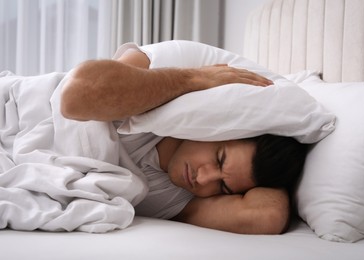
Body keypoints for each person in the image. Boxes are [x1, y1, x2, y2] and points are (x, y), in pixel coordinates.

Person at [60, 41, 307, 235]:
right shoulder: (175, 73)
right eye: (219, 159)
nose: (203, 178)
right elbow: (75, 98)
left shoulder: (178, 200)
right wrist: (191, 79)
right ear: (222, 127)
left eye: (223, 187)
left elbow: (266, 216)